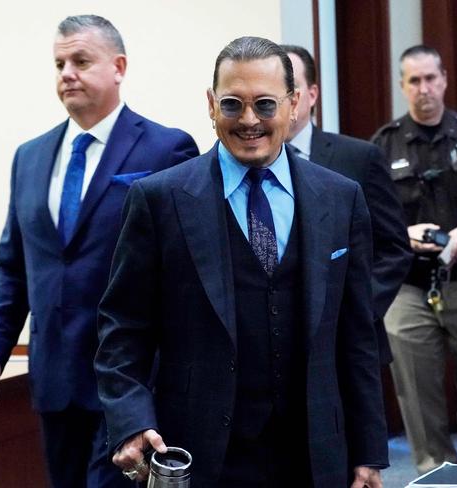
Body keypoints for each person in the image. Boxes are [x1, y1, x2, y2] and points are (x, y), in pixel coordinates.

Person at [95, 36, 388, 488]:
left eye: (265, 105)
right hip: (202, 453)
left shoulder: (341, 197)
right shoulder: (159, 200)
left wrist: (369, 452)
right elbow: (122, 327)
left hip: (315, 455)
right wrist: (130, 419)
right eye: (232, 104)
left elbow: (358, 337)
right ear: (211, 106)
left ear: (294, 105)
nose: (249, 120)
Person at [0, 14, 199, 488]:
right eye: (59, 63)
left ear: (118, 66)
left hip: (132, 385)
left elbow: (186, 278)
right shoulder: (30, 157)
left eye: (80, 60)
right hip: (55, 382)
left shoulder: (166, 149)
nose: (66, 72)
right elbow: (14, 268)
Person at [371, 45, 457, 474]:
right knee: (415, 384)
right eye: (414, 80)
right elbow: (369, 211)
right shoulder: (383, 143)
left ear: (444, 79)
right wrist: (402, 234)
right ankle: (435, 471)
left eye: (431, 78)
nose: (424, 88)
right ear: (402, 86)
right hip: (409, 286)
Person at [281, 44, 412, 364]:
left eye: (290, 88)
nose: (281, 100)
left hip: (348, 344)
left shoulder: (358, 157)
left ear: (311, 95)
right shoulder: (249, 164)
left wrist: (358, 310)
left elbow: (394, 248)